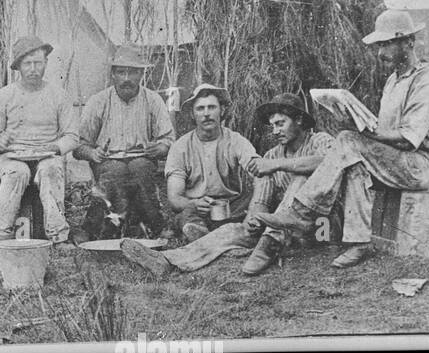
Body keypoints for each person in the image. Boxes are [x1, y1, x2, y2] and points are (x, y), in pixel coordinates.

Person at [251, 9, 429, 269]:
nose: (382, 52)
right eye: (379, 45)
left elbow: (407, 140)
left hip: (419, 165)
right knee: (353, 160)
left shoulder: (427, 83)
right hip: (399, 161)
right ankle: (359, 243)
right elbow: (386, 135)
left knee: (348, 140)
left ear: (409, 42)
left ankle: (302, 213)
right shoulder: (394, 81)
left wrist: (362, 132)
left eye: (388, 43)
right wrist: (359, 123)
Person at [121, 92, 336, 276]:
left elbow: (330, 163)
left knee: (300, 178)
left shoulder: (320, 141)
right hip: (287, 229)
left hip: (324, 226)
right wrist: (255, 215)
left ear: (299, 120)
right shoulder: (272, 154)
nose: (275, 131)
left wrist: (276, 165)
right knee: (233, 230)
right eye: (272, 126)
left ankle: (269, 241)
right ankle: (168, 261)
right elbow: (262, 195)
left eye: (281, 124)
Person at [73, 45, 175, 238]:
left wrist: (159, 148)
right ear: (113, 74)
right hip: (107, 161)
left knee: (140, 168)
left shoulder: (153, 101)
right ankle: (93, 229)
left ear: (142, 74)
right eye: (121, 72)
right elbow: (79, 146)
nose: (127, 79)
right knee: (115, 171)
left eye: (133, 73)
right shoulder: (99, 102)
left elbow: (168, 140)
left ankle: (157, 226)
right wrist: (93, 153)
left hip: (142, 158)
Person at [0, 37, 80, 244]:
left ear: (46, 63)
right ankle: (2, 235)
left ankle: (58, 236)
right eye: (27, 63)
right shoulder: (5, 95)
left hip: (47, 154)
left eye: (38, 63)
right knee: (17, 173)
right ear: (18, 66)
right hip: (12, 157)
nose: (33, 69)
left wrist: (55, 147)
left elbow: (72, 136)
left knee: (50, 170)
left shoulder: (58, 95)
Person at [163, 84, 260, 238]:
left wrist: (255, 207)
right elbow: (174, 198)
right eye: (200, 109)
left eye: (212, 107)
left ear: (222, 110)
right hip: (198, 207)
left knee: (252, 201)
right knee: (186, 216)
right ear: (192, 115)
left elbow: (258, 170)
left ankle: (229, 230)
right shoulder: (180, 147)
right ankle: (201, 231)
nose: (206, 113)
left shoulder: (235, 140)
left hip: (231, 205)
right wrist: (193, 204)